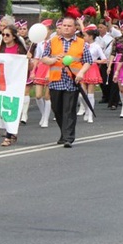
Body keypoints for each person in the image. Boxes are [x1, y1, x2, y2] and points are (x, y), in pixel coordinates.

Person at [41, 16, 92, 146]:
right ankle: (64, 134)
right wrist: (53, 60)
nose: (66, 28)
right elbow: (44, 58)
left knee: (69, 110)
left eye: (69, 26)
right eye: (64, 25)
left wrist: (81, 73)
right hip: (56, 80)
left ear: (75, 28)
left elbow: (88, 61)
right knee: (57, 109)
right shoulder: (52, 41)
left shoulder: (81, 43)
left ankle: (69, 138)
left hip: (72, 80)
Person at [0, 25, 29, 146]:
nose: (4, 37)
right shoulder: (0, 49)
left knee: (13, 106)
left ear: (14, 36)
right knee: (3, 106)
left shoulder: (19, 49)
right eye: (3, 35)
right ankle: (11, 131)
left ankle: (9, 135)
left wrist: (28, 60)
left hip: (15, 82)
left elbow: (27, 67)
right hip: (3, 82)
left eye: (7, 35)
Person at [78, 28, 105, 123]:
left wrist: (94, 61)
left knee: (90, 94)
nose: (83, 37)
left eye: (85, 35)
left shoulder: (96, 46)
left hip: (92, 68)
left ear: (90, 36)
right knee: (82, 95)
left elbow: (104, 59)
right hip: (82, 68)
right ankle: (86, 109)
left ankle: (90, 114)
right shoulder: (81, 45)